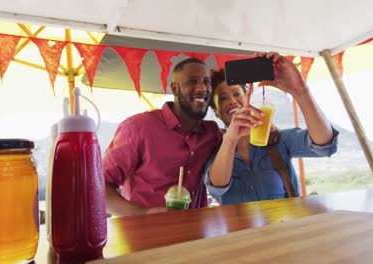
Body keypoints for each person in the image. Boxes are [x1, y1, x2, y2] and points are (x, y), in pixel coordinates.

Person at [205, 52, 339, 205]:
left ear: (248, 98)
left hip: (285, 228)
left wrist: (301, 91)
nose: (233, 101)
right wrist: (230, 138)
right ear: (216, 111)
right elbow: (217, 188)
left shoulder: (277, 140)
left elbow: (325, 145)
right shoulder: (215, 151)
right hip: (242, 230)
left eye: (237, 94)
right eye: (223, 98)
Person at [103, 58, 222, 216]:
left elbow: (244, 141)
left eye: (206, 81)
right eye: (192, 81)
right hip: (146, 236)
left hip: (196, 236)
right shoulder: (138, 127)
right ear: (174, 88)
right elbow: (98, 186)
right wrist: (144, 214)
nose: (202, 88)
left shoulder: (212, 133)